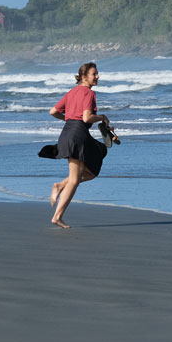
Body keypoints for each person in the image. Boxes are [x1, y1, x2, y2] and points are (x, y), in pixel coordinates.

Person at [47, 62, 117, 228]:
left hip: (69, 133)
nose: (98, 76)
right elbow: (86, 118)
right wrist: (102, 117)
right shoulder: (88, 93)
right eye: (94, 74)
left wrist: (70, 119)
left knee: (93, 168)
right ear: (84, 77)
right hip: (77, 135)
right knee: (75, 180)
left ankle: (60, 185)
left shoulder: (71, 92)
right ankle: (57, 216)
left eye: (97, 73)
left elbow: (53, 111)